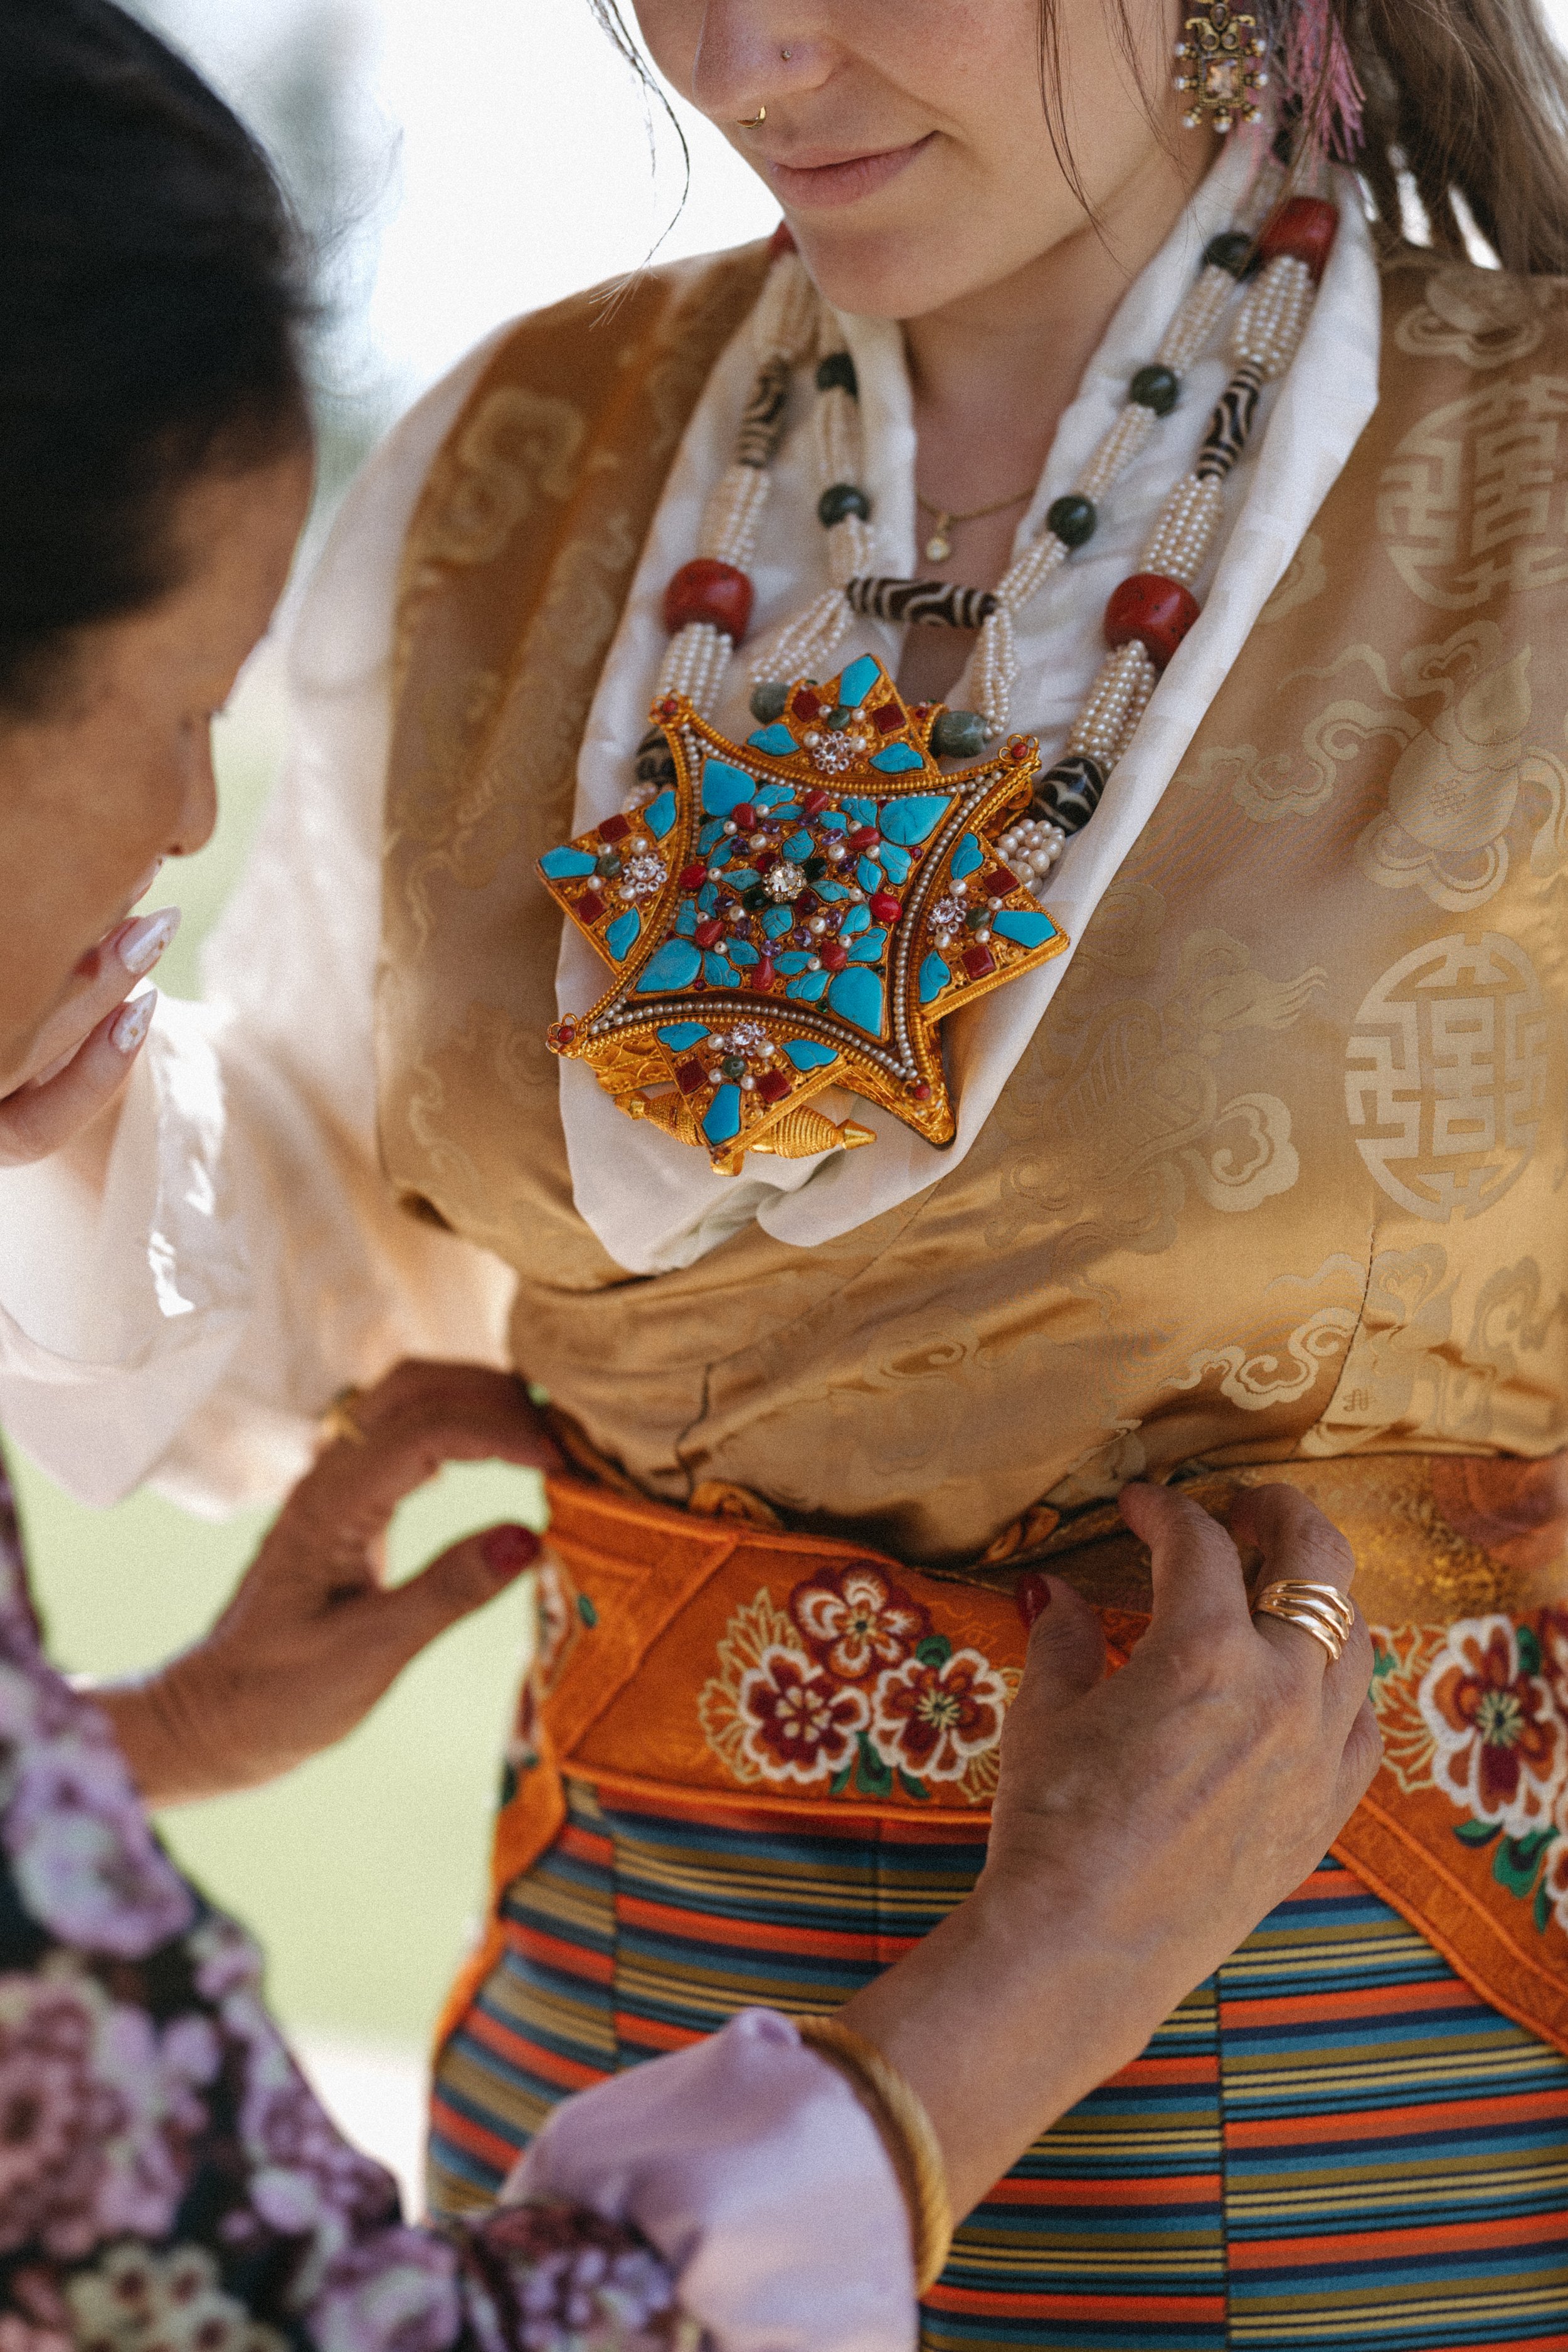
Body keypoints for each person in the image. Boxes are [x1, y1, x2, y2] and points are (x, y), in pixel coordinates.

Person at [5, 0, 1562, 2334]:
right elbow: (326, 1226)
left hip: (1347, 2090)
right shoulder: (523, 449)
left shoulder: (1526, 483)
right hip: (599, 2047)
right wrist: (81, 1103)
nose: (740, 56)